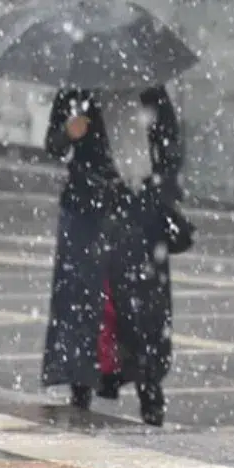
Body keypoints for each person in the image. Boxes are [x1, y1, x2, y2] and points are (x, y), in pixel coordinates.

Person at [40, 83, 182, 427]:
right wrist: (69, 133)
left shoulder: (150, 93)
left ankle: (150, 392)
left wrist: (151, 187)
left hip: (136, 216)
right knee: (87, 303)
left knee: (141, 309)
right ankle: (81, 386)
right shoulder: (76, 95)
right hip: (88, 215)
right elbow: (53, 145)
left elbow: (172, 152)